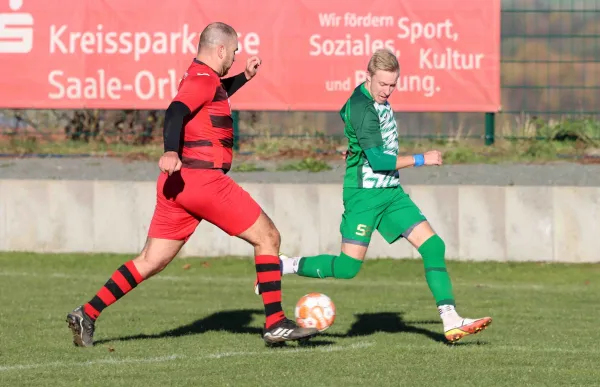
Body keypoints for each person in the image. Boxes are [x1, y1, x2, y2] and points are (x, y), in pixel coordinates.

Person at [66, 22, 319, 347]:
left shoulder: (202, 78)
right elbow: (175, 112)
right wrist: (170, 150)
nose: (236, 56)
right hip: (202, 180)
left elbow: (214, 95)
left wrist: (244, 77)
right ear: (221, 50)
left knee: (149, 260)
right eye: (235, 51)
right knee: (268, 237)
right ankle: (275, 323)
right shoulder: (201, 79)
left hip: (178, 186)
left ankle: (87, 312)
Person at [255, 49, 492, 343]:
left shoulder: (370, 101)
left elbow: (351, 122)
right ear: (368, 76)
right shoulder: (363, 109)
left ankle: (450, 319)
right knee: (347, 268)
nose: (387, 90)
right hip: (364, 195)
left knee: (433, 246)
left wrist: (355, 147)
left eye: (392, 85)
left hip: (390, 192)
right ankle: (283, 266)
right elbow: (379, 160)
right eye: (382, 84)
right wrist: (422, 159)